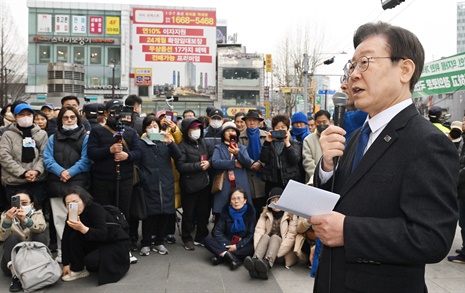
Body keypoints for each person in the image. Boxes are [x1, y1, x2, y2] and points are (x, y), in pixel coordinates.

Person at [310, 22, 459, 292]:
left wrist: (349, 232)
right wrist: (327, 167)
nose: (353, 75)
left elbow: (432, 238)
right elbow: (343, 201)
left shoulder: (428, 142)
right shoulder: (356, 136)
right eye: (352, 66)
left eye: (364, 62)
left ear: (404, 70)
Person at [87, 99, 142, 264]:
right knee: (103, 213)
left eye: (120, 111)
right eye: (113, 110)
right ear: (105, 113)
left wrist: (128, 156)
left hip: (124, 180)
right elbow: (91, 153)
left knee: (123, 213)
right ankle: (104, 245)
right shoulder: (97, 131)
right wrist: (108, 150)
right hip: (102, 180)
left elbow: (139, 152)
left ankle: (125, 245)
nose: (117, 114)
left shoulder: (130, 132)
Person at [44, 106, 91, 264]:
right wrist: (61, 172)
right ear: (60, 120)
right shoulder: (52, 138)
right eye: (66, 117)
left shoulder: (85, 137)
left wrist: (69, 172)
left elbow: (86, 160)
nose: (69, 120)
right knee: (58, 223)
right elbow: (48, 159)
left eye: (72, 117)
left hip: (77, 187)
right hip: (57, 186)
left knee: (74, 221)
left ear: (77, 118)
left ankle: (76, 256)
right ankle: (62, 255)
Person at [61, 186, 129, 285]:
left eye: (75, 202)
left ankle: (116, 261)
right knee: (73, 236)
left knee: (91, 262)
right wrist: (65, 263)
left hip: (114, 242)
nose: (72, 206)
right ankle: (78, 269)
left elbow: (102, 234)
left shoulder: (95, 209)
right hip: (97, 242)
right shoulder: (72, 214)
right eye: (68, 204)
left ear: (84, 200)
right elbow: (65, 238)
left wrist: (82, 228)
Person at [137, 115, 181, 256]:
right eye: (149, 126)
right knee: (150, 215)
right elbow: (138, 164)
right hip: (149, 184)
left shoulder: (164, 141)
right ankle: (146, 242)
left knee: (165, 214)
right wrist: (144, 178)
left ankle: (159, 242)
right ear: (145, 129)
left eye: (155, 126)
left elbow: (179, 156)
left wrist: (170, 143)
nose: (152, 128)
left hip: (166, 183)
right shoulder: (141, 143)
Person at [243, 188, 298, 280]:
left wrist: (275, 253)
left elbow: (291, 237)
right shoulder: (265, 214)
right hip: (264, 252)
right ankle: (255, 260)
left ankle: (267, 264)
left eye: (279, 200)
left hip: (282, 253)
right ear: (269, 203)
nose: (276, 203)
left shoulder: (291, 215)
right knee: (264, 236)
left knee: (275, 237)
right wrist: (259, 250)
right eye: (273, 200)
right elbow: (258, 231)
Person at [176, 118, 213, 251]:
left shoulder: (203, 143)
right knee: (188, 213)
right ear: (186, 131)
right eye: (193, 129)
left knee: (203, 213)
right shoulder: (182, 146)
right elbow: (181, 166)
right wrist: (198, 166)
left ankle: (201, 236)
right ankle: (187, 238)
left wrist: (209, 163)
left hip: (204, 183)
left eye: (198, 129)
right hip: (189, 184)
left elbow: (211, 157)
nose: (196, 131)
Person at [0, 103, 48, 204]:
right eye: (21, 114)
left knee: (36, 212)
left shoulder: (42, 134)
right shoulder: (7, 135)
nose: (25, 117)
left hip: (36, 181)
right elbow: (4, 157)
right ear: (15, 117)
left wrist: (36, 171)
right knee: (16, 212)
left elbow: (45, 155)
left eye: (28, 114)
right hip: (14, 182)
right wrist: (23, 173)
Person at [0, 190, 47, 292]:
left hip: (31, 259)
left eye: (24, 203)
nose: (20, 206)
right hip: (12, 262)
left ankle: (40, 271)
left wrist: (26, 220)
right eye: (17, 203)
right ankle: (15, 277)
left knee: (40, 236)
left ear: (32, 204)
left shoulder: (36, 213)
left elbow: (41, 227)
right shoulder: (5, 215)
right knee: (12, 237)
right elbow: (1, 237)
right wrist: (7, 221)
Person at [203, 188, 255, 270]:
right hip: (226, 241)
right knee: (207, 239)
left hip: (241, 244)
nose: (236, 201)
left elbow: (250, 234)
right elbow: (217, 231)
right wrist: (227, 245)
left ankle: (222, 256)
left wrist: (237, 246)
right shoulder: (226, 212)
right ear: (230, 202)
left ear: (245, 200)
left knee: (251, 248)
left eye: (239, 198)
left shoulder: (250, 213)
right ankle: (230, 257)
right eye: (233, 199)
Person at [211, 121, 254, 220]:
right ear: (223, 134)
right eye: (228, 131)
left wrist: (237, 154)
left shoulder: (241, 148)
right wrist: (233, 163)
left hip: (240, 182)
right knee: (222, 211)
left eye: (233, 131)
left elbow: (247, 163)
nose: (231, 133)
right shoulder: (218, 147)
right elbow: (215, 162)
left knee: (241, 208)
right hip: (225, 182)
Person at [260, 114, 303, 195]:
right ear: (273, 129)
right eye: (277, 127)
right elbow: (263, 159)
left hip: (290, 181)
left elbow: (295, 160)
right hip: (272, 181)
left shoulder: (295, 143)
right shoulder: (269, 143)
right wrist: (267, 143)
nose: (280, 129)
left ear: (288, 129)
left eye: (283, 127)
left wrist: (287, 144)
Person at [238, 109, 267, 218]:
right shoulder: (239, 137)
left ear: (259, 122)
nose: (252, 123)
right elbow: (239, 153)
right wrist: (251, 164)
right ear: (245, 122)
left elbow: (269, 153)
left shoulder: (266, 136)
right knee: (248, 205)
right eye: (249, 120)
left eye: (255, 120)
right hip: (246, 173)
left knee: (262, 205)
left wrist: (260, 163)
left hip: (262, 174)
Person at [302, 110, 331, 185]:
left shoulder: (335, 137)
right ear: (315, 123)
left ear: (330, 122)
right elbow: (308, 161)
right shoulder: (308, 140)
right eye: (319, 122)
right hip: (314, 181)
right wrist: (317, 176)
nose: (321, 124)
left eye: (324, 122)